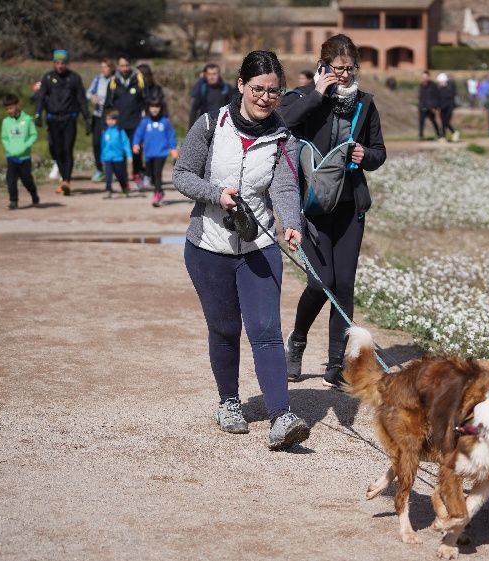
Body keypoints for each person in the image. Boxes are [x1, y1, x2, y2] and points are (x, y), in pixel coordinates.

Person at [173, 50, 310, 451]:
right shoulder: (210, 125)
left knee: (266, 331)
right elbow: (181, 175)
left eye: (274, 91)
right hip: (208, 246)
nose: (266, 98)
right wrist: (217, 195)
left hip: (260, 245)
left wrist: (292, 226)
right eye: (258, 89)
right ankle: (229, 402)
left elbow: (285, 188)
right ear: (240, 85)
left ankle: (282, 416)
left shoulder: (283, 138)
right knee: (225, 328)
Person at [279, 33, 387, 389]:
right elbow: (285, 121)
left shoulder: (366, 103)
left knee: (344, 286)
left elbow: (379, 152)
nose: (343, 74)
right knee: (320, 282)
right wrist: (316, 92)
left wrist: (365, 156)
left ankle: (335, 365)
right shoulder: (304, 98)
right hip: (311, 207)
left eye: (348, 68)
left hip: (349, 206)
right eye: (337, 68)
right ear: (324, 66)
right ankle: (296, 341)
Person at [34, 49, 90, 196]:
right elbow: (40, 97)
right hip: (53, 120)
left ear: (67, 64)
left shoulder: (74, 78)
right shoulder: (47, 78)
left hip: (69, 119)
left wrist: (87, 118)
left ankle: (66, 181)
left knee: (67, 149)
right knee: (56, 150)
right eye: (57, 63)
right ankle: (64, 179)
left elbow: (81, 99)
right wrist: (38, 114)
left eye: (63, 63)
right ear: (53, 63)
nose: (60, 66)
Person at [105, 55, 147, 187]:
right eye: (122, 65)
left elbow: (146, 100)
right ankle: (123, 180)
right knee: (121, 152)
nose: (125, 68)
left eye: (127, 65)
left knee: (136, 150)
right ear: (118, 66)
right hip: (119, 124)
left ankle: (137, 173)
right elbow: (108, 104)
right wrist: (105, 123)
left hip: (136, 122)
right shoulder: (113, 82)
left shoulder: (138, 80)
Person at [132, 97, 178, 207]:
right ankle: (160, 190)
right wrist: (136, 144)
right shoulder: (145, 122)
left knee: (157, 174)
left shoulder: (165, 122)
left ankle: (157, 195)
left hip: (161, 153)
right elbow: (138, 134)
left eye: (157, 106)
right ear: (148, 108)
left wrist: (174, 150)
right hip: (149, 153)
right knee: (150, 175)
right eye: (152, 106)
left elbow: (171, 136)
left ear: (161, 108)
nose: (154, 109)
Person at [1, 94, 39, 210]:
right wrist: (9, 148)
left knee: (27, 180)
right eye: (7, 109)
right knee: (10, 180)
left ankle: (33, 194)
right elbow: (4, 138)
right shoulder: (6, 122)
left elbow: (34, 135)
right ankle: (13, 201)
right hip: (11, 156)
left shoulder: (27, 120)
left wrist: (25, 146)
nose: (9, 111)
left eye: (11, 108)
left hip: (24, 158)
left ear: (17, 105)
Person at [87, 59, 115, 182]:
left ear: (111, 68)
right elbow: (88, 92)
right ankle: (100, 170)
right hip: (98, 115)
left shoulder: (115, 80)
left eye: (106, 67)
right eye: (102, 67)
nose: (103, 69)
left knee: (111, 143)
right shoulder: (98, 79)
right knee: (96, 143)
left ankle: (113, 169)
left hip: (111, 117)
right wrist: (92, 97)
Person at [188, 63, 234, 128]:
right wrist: (191, 128)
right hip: (205, 126)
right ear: (205, 75)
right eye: (209, 74)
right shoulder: (202, 89)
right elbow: (194, 110)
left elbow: (233, 109)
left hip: (222, 126)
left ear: (219, 75)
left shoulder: (226, 89)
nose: (212, 77)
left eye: (214, 74)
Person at [100, 109, 132, 198]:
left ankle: (124, 187)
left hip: (118, 158)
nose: (110, 121)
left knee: (120, 175)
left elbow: (126, 143)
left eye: (112, 119)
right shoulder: (105, 132)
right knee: (108, 175)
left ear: (116, 120)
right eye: (108, 119)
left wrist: (129, 155)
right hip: (107, 158)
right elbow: (103, 146)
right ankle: (108, 190)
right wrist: (102, 158)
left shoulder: (120, 131)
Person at [417, 70, 440, 140]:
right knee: (421, 122)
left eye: (426, 77)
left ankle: (439, 134)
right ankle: (421, 136)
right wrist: (420, 106)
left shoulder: (433, 85)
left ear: (428, 77)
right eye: (423, 77)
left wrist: (435, 107)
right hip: (422, 107)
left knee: (434, 121)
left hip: (431, 107)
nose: (424, 78)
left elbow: (436, 96)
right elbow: (420, 97)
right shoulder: (421, 85)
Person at [436, 72, 459, 142]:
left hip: (449, 108)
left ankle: (454, 132)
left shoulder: (449, 87)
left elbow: (450, 97)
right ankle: (443, 136)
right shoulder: (439, 89)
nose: (439, 83)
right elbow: (438, 98)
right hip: (442, 108)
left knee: (446, 122)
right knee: (443, 122)